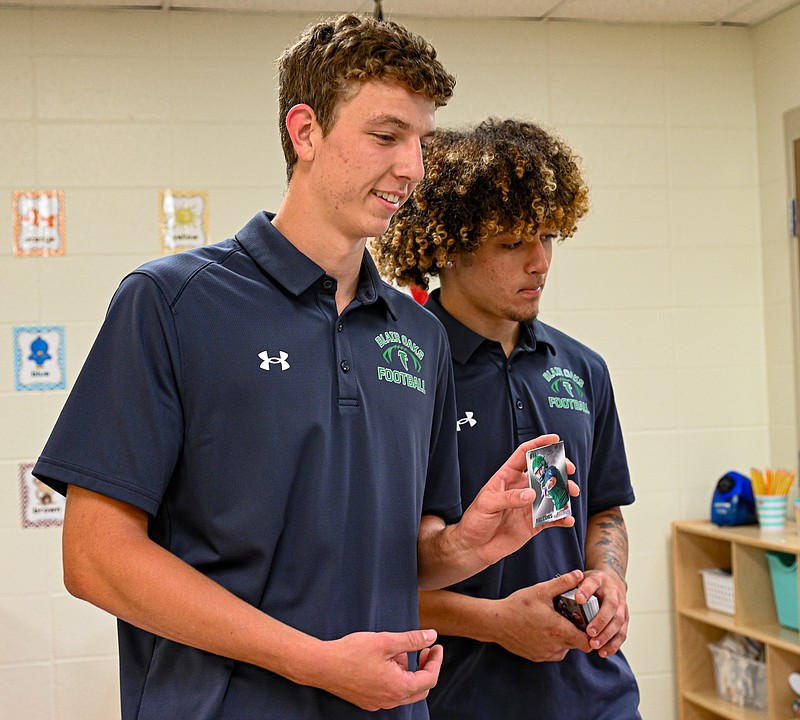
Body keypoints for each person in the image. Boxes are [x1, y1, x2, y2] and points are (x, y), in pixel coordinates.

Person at [32, 18, 577, 720]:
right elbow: (96, 558)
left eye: (419, 141)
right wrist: (314, 663)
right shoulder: (172, 302)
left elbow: (404, 557)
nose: (412, 168)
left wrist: (471, 542)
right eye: (386, 136)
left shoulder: (419, 337)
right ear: (306, 131)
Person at [373, 118, 641, 719]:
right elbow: (369, 576)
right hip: (457, 700)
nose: (540, 263)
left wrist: (610, 578)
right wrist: (495, 623)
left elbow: (603, 509)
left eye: (548, 237)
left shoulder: (580, 369)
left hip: (596, 696)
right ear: (449, 245)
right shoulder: (397, 371)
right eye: (512, 243)